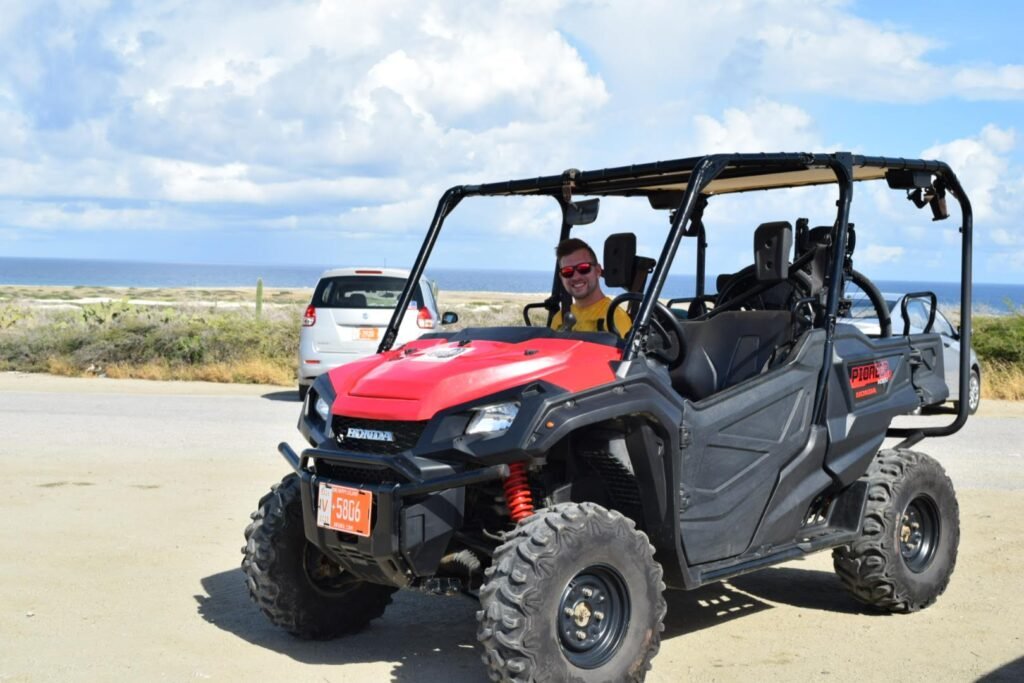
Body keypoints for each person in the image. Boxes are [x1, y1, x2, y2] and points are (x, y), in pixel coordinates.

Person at [549, 237, 632, 334]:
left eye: (583, 268)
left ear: (598, 271)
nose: (576, 277)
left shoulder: (615, 318)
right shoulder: (560, 319)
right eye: (567, 271)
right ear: (561, 277)